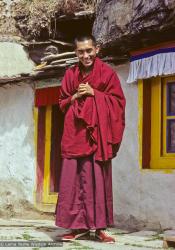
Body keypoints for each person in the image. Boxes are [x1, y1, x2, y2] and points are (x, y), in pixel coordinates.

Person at [55, 34, 126, 243]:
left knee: (97, 180)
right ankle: (77, 228)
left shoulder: (107, 74)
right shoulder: (70, 75)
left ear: (97, 49)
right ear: (75, 52)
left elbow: (118, 103)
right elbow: (61, 103)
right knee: (73, 181)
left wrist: (95, 93)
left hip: (97, 136)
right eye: (81, 51)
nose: (85, 55)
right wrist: (76, 96)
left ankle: (100, 228)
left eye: (89, 50)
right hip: (75, 134)